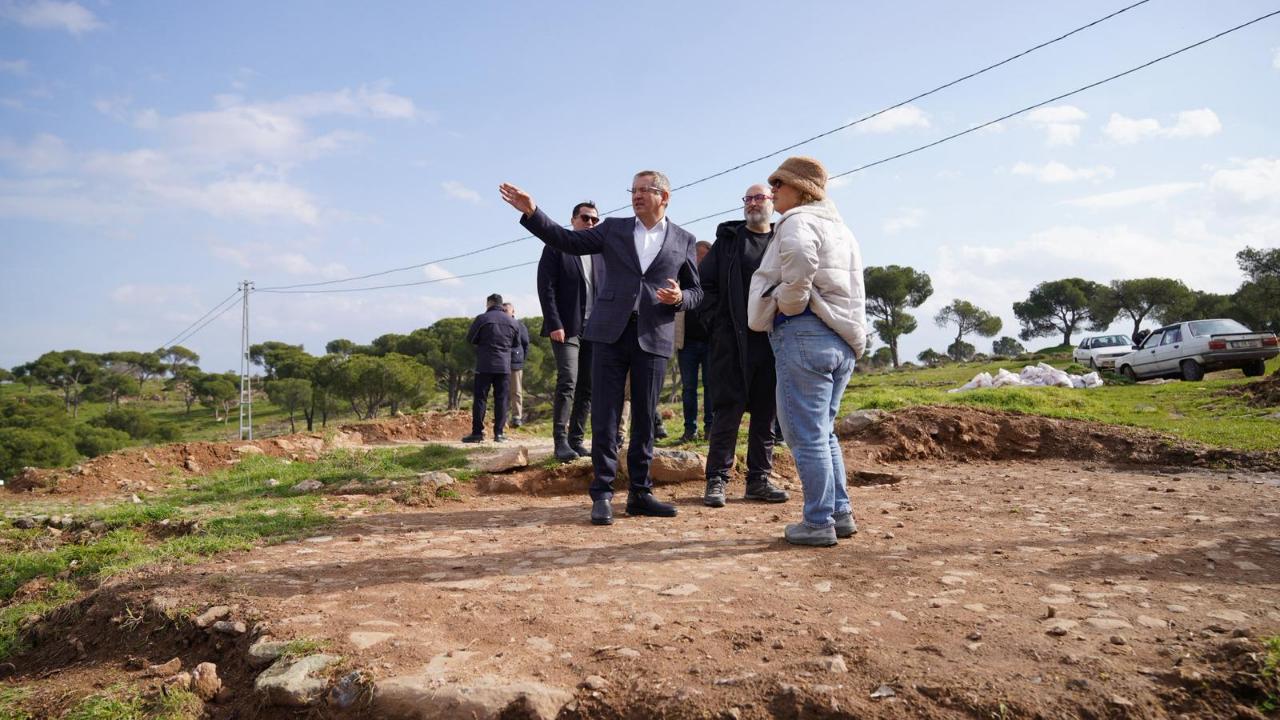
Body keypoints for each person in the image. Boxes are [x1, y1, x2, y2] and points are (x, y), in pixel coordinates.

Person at [500, 171, 703, 526]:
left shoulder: (684, 239)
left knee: (644, 417)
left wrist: (680, 297)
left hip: (654, 335)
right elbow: (566, 240)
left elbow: (697, 292)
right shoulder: (613, 228)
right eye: (633, 190)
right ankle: (603, 493)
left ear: (664, 196)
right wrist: (533, 212)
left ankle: (641, 492)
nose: (637, 196)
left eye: (645, 190)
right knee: (605, 415)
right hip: (608, 333)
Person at [747, 157, 866, 547]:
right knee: (824, 432)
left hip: (805, 334)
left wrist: (789, 302)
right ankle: (840, 512)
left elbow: (799, 261)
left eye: (779, 183)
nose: (773, 190)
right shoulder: (842, 229)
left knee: (806, 435)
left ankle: (817, 522)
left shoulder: (798, 222)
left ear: (801, 189)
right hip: (841, 339)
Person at [699, 184, 789, 508]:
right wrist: (716, 323)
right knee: (727, 412)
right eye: (747, 199)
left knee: (766, 414)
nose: (752, 204)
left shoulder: (783, 239)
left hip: (772, 340)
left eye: (759, 198)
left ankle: (758, 480)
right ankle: (717, 481)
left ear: (771, 203)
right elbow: (703, 284)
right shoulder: (727, 242)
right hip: (731, 342)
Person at [537, 201, 604, 461]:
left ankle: (577, 440)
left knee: (587, 386)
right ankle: (560, 442)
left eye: (594, 220)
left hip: (595, 328)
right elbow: (546, 287)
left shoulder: (599, 252)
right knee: (568, 380)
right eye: (585, 218)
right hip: (566, 328)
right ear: (573, 219)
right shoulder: (556, 247)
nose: (590, 223)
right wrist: (554, 323)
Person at [462, 293, 522, 444]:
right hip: (504, 366)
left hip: (484, 364)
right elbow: (516, 344)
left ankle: (477, 433)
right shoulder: (512, 322)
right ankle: (499, 434)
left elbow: (470, 339)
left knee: (481, 399)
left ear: (489, 303)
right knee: (501, 399)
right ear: (501, 305)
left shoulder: (482, 319)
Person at [674, 240, 714, 442]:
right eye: (696, 255)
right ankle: (690, 430)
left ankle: (710, 428)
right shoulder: (683, 278)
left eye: (704, 255)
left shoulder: (715, 281)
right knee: (688, 388)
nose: (699, 260)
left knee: (710, 386)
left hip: (710, 343)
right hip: (686, 343)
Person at [503, 302, 531, 428]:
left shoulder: (520, 326)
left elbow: (526, 344)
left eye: (506, 310)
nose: (504, 312)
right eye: (502, 310)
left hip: (516, 363)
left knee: (516, 391)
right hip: (501, 363)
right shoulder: (500, 325)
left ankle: (516, 417)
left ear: (513, 312)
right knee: (502, 392)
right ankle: (502, 417)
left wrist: (520, 360)